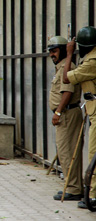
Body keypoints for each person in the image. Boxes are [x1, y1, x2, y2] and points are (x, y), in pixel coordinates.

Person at [63, 26, 96, 209]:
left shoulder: (91, 62)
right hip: (92, 108)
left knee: (94, 155)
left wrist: (69, 54)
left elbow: (67, 78)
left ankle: (94, 196)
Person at [47, 36, 83, 201]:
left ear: (62, 50)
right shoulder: (61, 66)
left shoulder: (67, 67)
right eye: (50, 51)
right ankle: (72, 185)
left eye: (54, 51)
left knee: (68, 152)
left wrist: (58, 112)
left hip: (67, 114)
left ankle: (74, 189)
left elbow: (67, 92)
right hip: (65, 114)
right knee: (65, 151)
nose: (51, 55)